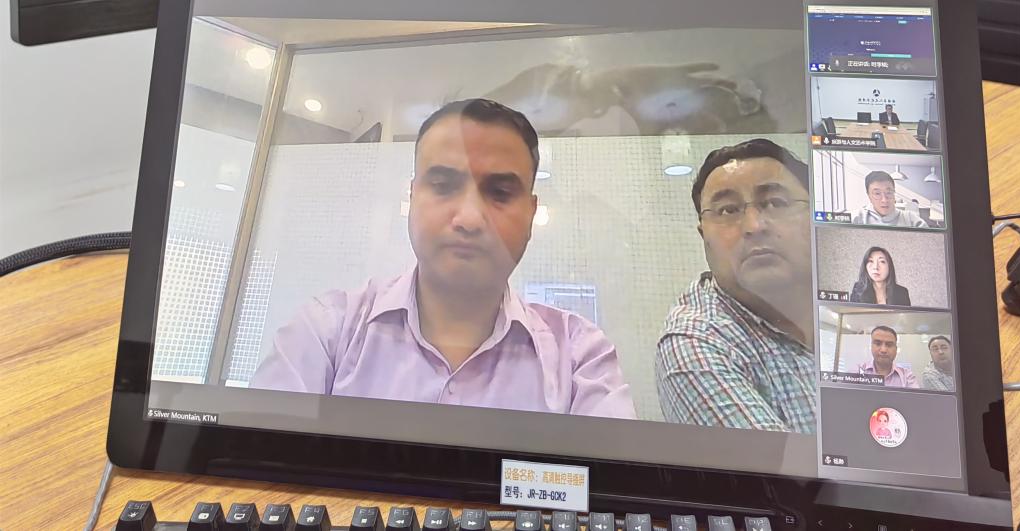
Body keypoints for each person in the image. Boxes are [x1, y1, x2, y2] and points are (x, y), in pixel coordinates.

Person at [251, 98, 636, 418]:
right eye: (442, 185)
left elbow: (608, 484)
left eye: (500, 193)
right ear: (413, 196)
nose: (469, 218)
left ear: (531, 213)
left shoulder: (580, 359)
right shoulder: (326, 333)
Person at [656, 138, 817, 434]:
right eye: (728, 210)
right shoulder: (696, 343)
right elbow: (785, 468)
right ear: (703, 236)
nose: (754, 226)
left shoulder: (856, 298)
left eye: (775, 203)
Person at [851, 171, 928, 228]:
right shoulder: (857, 218)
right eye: (877, 193)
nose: (884, 200)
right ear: (869, 196)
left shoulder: (911, 220)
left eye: (888, 192)